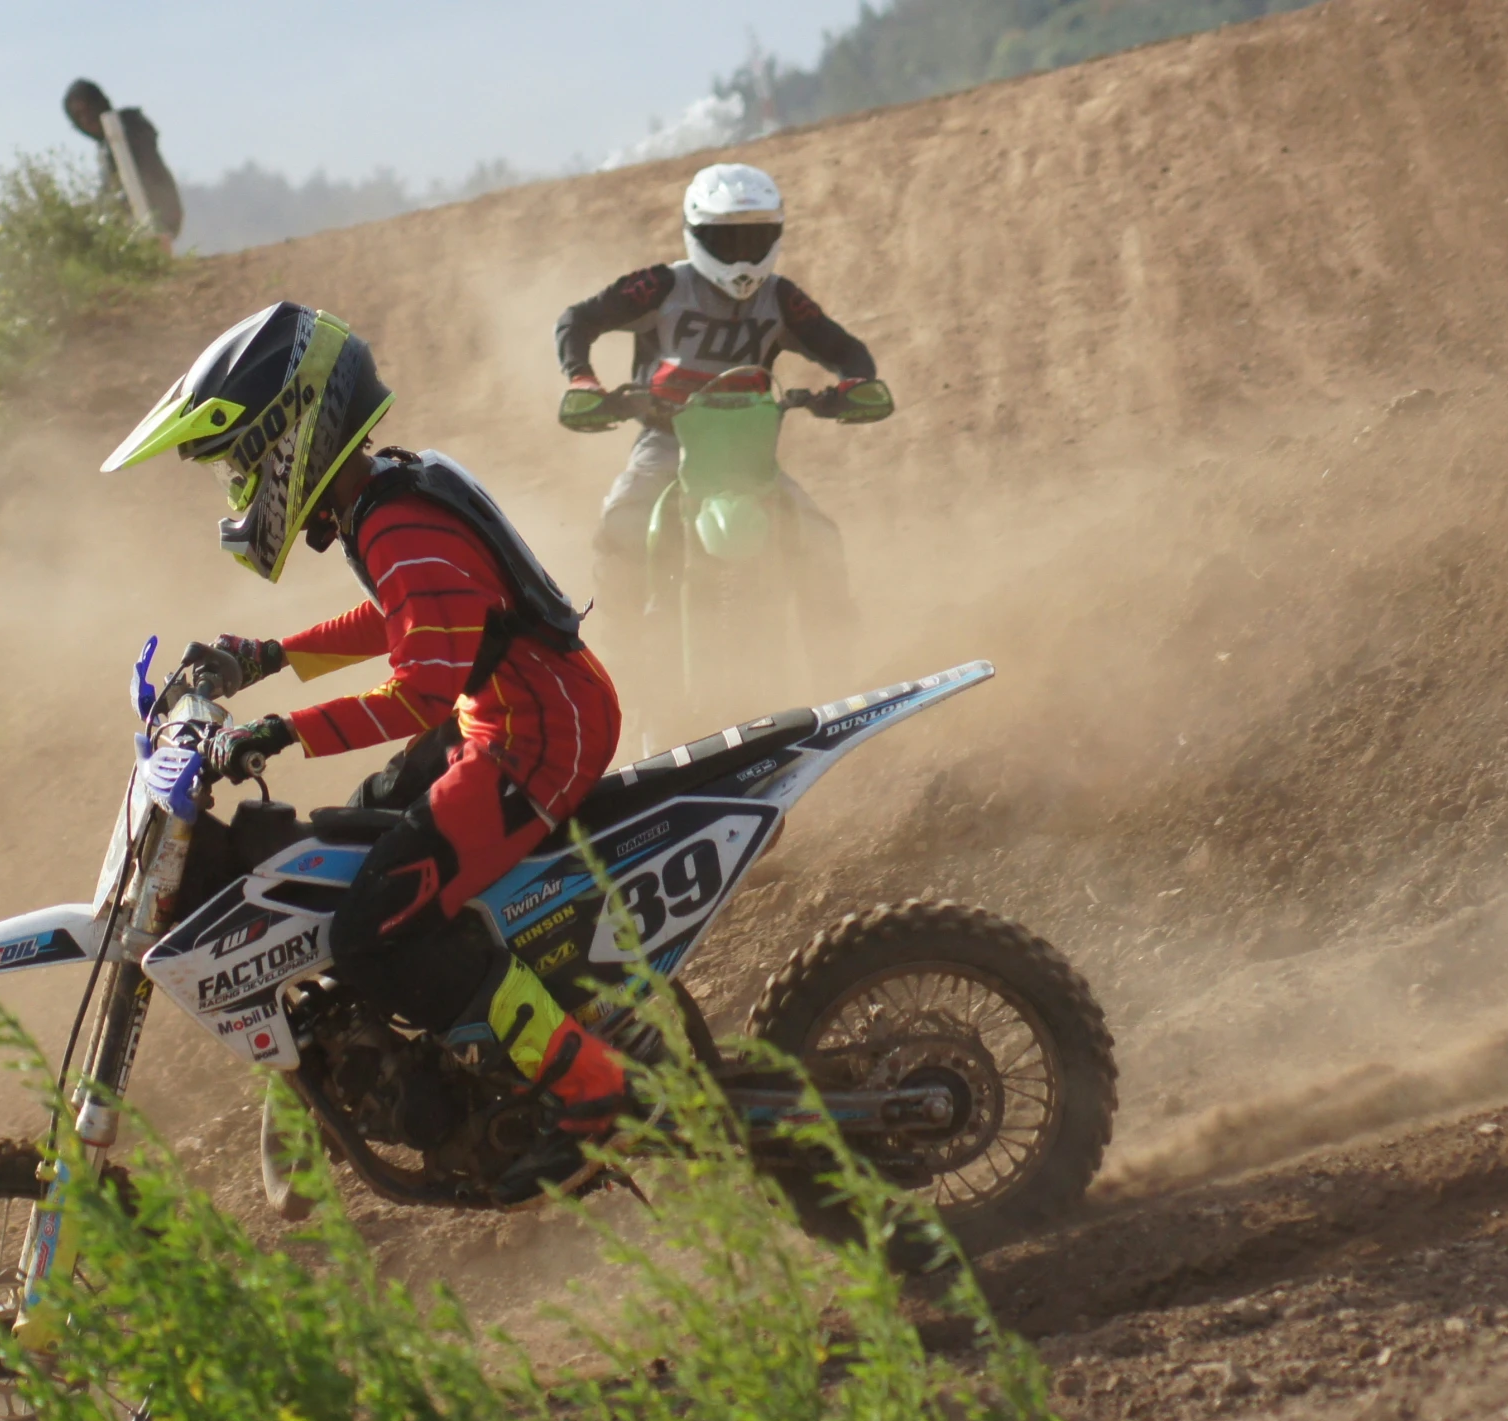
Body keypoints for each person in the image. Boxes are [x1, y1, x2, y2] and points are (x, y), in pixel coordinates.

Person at [101, 302, 629, 1195]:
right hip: (500, 714)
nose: (238, 481)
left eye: (240, 460)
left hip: (537, 740)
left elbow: (419, 687)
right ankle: (328, 1063)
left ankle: (589, 1085)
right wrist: (268, 657)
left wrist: (277, 730)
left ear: (288, 434)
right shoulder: (381, 496)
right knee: (342, 841)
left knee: (376, 926)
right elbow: (404, 619)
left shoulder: (397, 524)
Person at [553, 162, 892, 628]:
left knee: (819, 541)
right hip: (667, 439)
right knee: (622, 524)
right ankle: (622, 659)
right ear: (695, 231)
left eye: (753, 239)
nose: (740, 256)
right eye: (725, 239)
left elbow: (847, 351)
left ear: (776, 234)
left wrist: (852, 386)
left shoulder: (781, 298)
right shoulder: (663, 286)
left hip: (749, 452)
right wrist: (582, 379)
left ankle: (835, 666)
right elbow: (577, 319)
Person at [62, 78, 184, 244]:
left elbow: (143, 175)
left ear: (100, 105)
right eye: (78, 117)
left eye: (88, 112)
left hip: (157, 215)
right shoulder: (107, 144)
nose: (85, 121)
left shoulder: (129, 127)